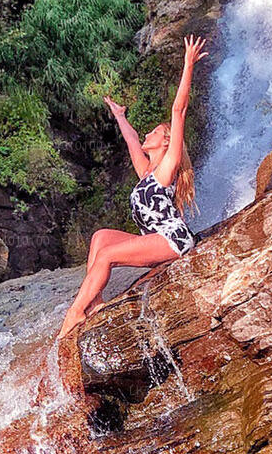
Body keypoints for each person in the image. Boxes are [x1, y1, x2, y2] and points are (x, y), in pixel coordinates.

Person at [57, 35, 208, 341]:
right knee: (101, 237)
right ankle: (95, 301)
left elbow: (178, 112)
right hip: (154, 238)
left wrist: (188, 65)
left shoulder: (167, 169)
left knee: (107, 256)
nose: (148, 133)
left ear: (165, 142)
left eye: (154, 131)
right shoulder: (146, 172)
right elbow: (130, 139)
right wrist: (120, 116)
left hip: (172, 239)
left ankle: (74, 314)